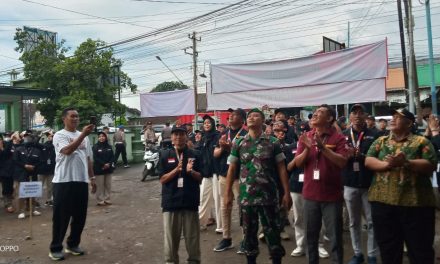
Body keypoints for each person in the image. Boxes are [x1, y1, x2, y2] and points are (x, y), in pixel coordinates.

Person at [365, 108, 437, 264]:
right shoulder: (380, 141)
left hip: (416, 205)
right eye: (393, 116)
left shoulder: (421, 142)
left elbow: (431, 164)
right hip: (383, 204)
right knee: (388, 250)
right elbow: (368, 160)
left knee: (420, 250)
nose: (393, 119)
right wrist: (388, 165)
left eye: (398, 117)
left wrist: (406, 162)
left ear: (409, 123)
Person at [225, 108, 292, 264]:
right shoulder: (239, 142)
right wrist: (227, 193)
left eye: (255, 116)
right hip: (247, 198)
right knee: (249, 236)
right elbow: (232, 169)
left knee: (273, 235)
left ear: (263, 121)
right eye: (249, 116)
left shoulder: (273, 142)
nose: (251, 118)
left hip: (269, 197)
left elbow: (282, 169)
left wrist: (286, 193)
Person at [294, 104, 348, 264]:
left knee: (335, 238)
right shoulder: (306, 136)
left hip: (332, 196)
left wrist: (323, 148)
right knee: (311, 236)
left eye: (320, 113)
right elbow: (297, 163)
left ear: (330, 118)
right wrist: (306, 148)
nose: (315, 115)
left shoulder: (338, 138)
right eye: (315, 113)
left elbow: (343, 162)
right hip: (310, 195)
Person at [49, 107, 96, 261]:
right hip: (63, 182)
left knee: (79, 216)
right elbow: (68, 151)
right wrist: (83, 134)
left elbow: (88, 158)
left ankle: (73, 244)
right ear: (64, 119)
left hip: (81, 181)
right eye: (72, 116)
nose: (75, 119)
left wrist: (92, 178)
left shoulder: (85, 137)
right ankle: (55, 248)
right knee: (61, 217)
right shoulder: (59, 135)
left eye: (77, 116)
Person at [158, 125, 202, 264]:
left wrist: (191, 172)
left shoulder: (195, 154)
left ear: (186, 136)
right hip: (171, 203)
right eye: (175, 134)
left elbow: (201, 178)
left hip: (190, 201)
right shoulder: (165, 155)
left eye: (181, 134)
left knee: (192, 240)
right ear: (171, 137)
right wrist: (176, 171)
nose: (178, 137)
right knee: (171, 242)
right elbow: (162, 179)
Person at [342, 104, 379, 264]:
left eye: (360, 113)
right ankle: (357, 253)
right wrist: (346, 156)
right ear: (349, 117)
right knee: (353, 221)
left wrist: (361, 156)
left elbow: (378, 157)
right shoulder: (342, 135)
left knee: (371, 221)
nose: (357, 115)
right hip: (349, 183)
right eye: (354, 113)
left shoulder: (376, 135)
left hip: (369, 183)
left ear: (365, 116)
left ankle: (372, 255)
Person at [213, 108, 247, 252]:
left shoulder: (246, 135)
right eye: (230, 115)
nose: (231, 116)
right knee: (224, 206)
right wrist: (222, 148)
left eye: (235, 115)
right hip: (224, 176)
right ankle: (226, 238)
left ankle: (246, 240)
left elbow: (246, 154)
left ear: (242, 119)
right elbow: (215, 153)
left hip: (239, 177)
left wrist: (230, 148)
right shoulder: (223, 133)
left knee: (243, 208)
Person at [13, 130, 43, 219]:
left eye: (29, 137)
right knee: (22, 193)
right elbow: (15, 160)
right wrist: (24, 165)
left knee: (33, 192)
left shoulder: (37, 150)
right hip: (21, 174)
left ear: (32, 139)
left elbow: (41, 161)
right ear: (23, 138)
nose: (27, 138)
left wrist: (34, 166)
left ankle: (32, 209)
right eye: (25, 137)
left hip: (33, 173)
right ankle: (21, 211)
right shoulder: (18, 149)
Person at [199, 115, 220, 230]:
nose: (206, 125)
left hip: (216, 172)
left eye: (209, 123)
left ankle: (221, 226)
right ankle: (201, 221)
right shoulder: (203, 138)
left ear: (212, 124)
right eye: (205, 123)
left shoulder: (217, 136)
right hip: (206, 173)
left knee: (217, 199)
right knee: (203, 197)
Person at [92, 132, 115, 206]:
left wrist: (109, 164)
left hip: (108, 168)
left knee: (108, 185)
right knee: (100, 185)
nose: (101, 138)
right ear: (98, 138)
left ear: (105, 137)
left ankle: (107, 199)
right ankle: (100, 200)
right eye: (100, 136)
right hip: (99, 169)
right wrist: (103, 164)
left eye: (103, 136)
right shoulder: (95, 147)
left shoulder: (109, 146)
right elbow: (96, 158)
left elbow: (112, 156)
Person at [38, 131, 56, 206]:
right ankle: (36, 201)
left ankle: (49, 200)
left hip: (51, 170)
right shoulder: (43, 145)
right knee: (39, 186)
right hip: (42, 169)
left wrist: (54, 137)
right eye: (48, 136)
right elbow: (35, 143)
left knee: (50, 187)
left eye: (51, 136)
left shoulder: (55, 145)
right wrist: (40, 135)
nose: (50, 137)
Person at [0, 132, 15, 213]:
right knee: (6, 189)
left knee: (10, 188)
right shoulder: (4, 146)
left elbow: (11, 152)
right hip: (4, 172)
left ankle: (9, 202)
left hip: (11, 171)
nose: (7, 137)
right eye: (6, 136)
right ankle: (8, 204)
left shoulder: (9, 145)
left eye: (9, 136)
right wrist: (10, 140)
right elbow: (4, 154)